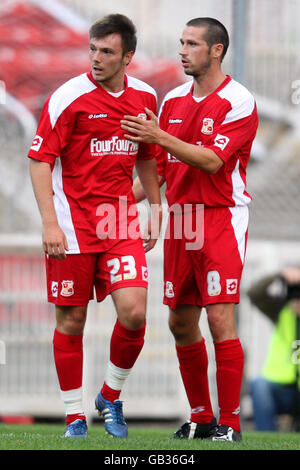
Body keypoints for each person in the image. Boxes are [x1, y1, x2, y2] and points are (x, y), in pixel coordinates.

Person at [121, 17, 258, 441]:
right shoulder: (173, 100)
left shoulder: (238, 100)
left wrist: (159, 136)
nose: (182, 50)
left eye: (192, 44)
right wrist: (120, 204)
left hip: (219, 217)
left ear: (216, 50)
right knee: (181, 323)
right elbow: (159, 170)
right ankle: (201, 418)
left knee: (220, 318)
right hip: (182, 220)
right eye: (181, 42)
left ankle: (230, 425)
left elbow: (212, 162)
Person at [28, 14, 162, 438]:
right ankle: (74, 418)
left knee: (135, 313)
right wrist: (50, 224)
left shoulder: (144, 97)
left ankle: (110, 395)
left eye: (106, 52)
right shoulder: (68, 97)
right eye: (93, 49)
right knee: (71, 322)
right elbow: (39, 161)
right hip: (71, 225)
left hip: (119, 223)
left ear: (128, 57)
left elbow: (147, 156)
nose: (96, 58)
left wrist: (156, 207)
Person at [248, 267, 300, 432]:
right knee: (259, 385)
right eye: (294, 295)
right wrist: (279, 274)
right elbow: (255, 293)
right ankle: (266, 436)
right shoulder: (281, 311)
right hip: (283, 388)